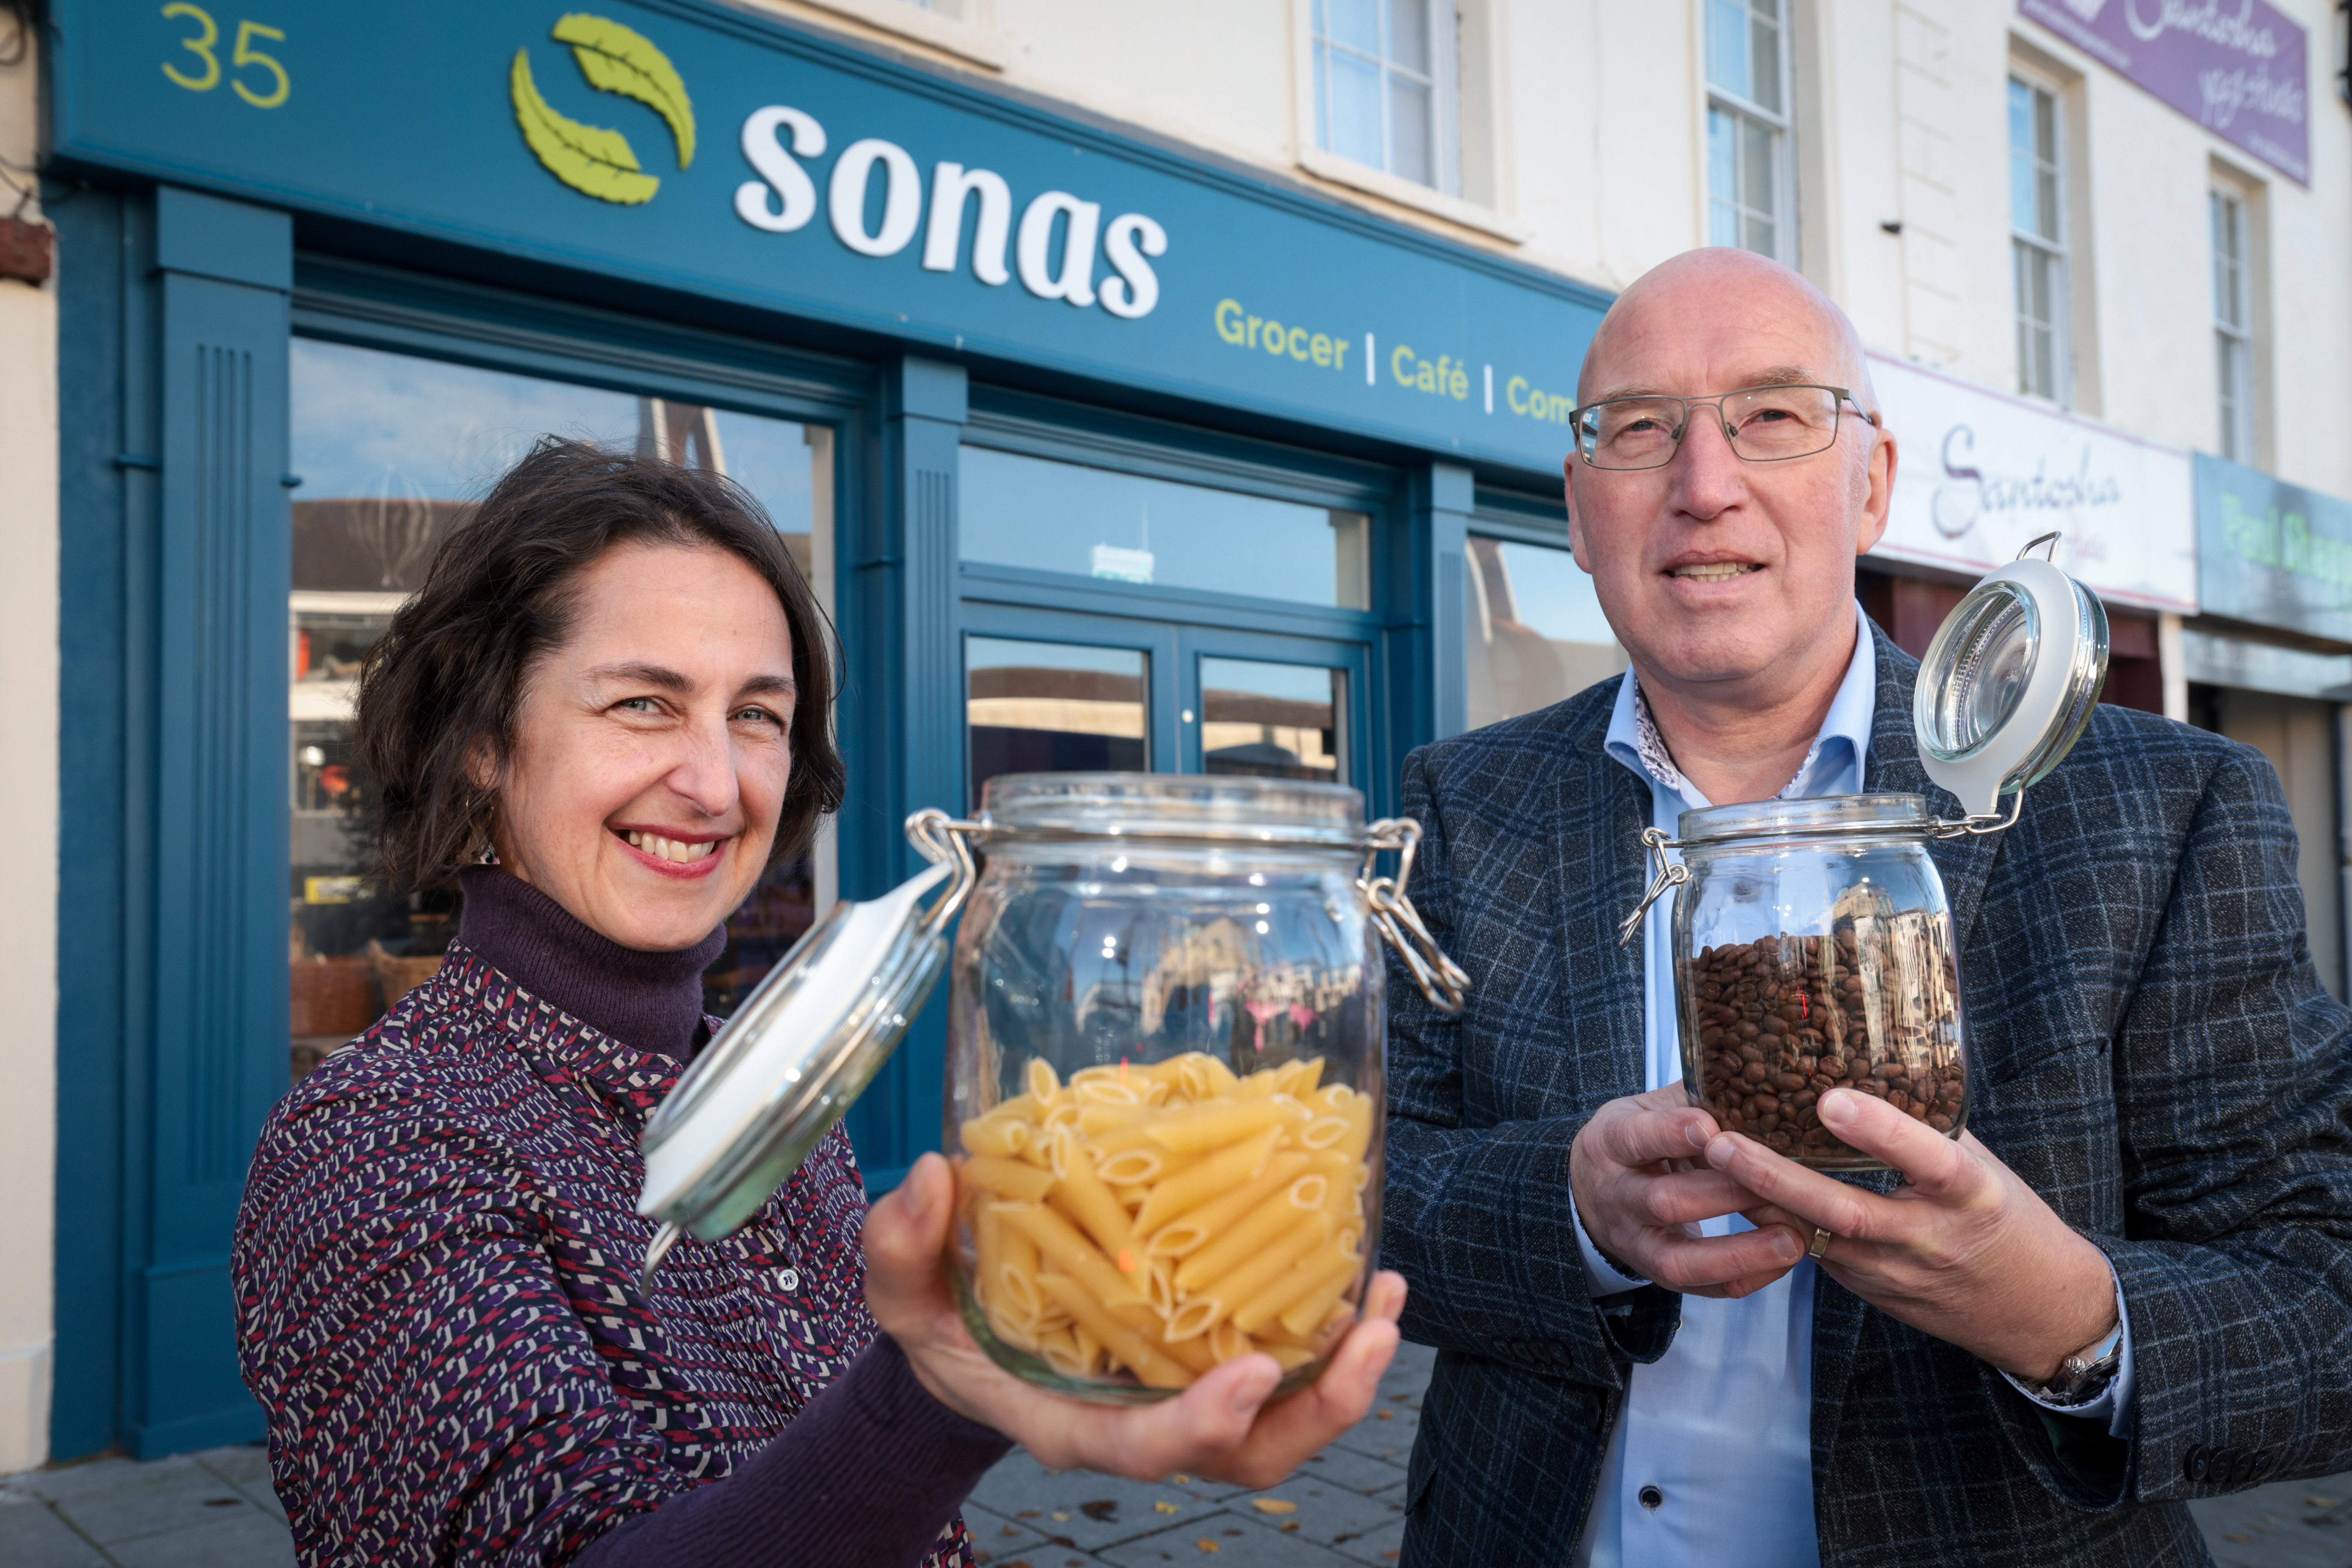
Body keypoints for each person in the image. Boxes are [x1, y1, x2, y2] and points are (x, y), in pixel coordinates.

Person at [232, 439, 1405, 1567]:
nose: (711, 782)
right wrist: (933, 1397)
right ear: (486, 741)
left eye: (756, 714)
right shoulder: (373, 1146)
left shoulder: (762, 1086)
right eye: (643, 703)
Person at [1378, 247, 2352, 1566]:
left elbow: (2323, 1292)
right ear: (1576, 501)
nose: (1702, 484)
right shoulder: (1462, 799)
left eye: (1772, 416)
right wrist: (1571, 1213)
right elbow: (1361, 1187)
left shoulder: (2160, 810)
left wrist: (2063, 1313)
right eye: (1638, 429)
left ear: (1871, 481)